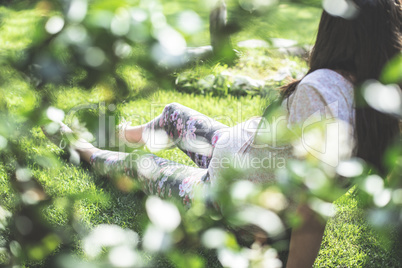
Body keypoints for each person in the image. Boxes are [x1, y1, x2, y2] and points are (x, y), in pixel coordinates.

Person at [43, 0, 402, 267]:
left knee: (143, 167)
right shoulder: (380, 93)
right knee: (173, 114)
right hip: (236, 154)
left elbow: (311, 208)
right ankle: (116, 133)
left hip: (226, 196)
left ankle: (83, 148)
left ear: (335, 27)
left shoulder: (322, 88)